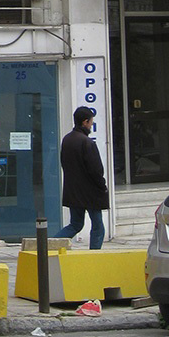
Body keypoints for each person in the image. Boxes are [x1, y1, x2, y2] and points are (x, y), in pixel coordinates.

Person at [56, 105, 109, 249]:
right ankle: (94, 255)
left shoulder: (67, 140)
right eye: (91, 122)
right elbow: (96, 170)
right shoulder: (87, 143)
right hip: (90, 192)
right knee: (98, 226)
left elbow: (64, 163)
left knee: (75, 224)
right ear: (85, 122)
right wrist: (102, 186)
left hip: (73, 190)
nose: (91, 125)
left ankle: (49, 245)